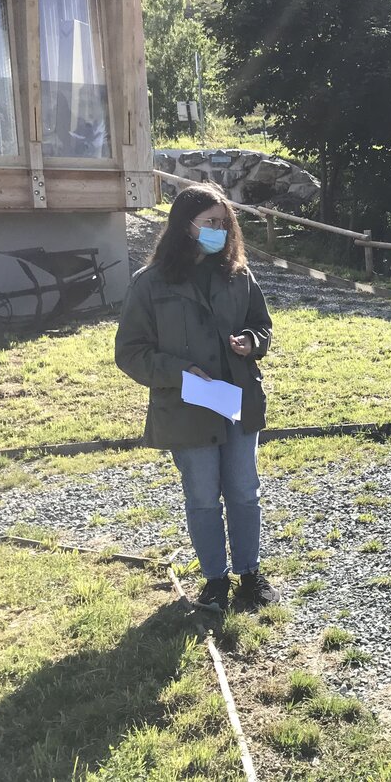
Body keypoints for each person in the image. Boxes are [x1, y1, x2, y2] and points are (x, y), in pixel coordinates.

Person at [115, 183, 279, 613]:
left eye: (224, 224)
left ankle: (250, 576)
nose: (219, 231)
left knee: (244, 492)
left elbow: (262, 325)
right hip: (187, 408)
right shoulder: (149, 284)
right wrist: (178, 370)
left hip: (236, 403)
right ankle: (215, 581)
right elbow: (129, 353)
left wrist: (251, 341)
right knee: (203, 497)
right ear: (184, 227)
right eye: (210, 223)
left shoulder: (239, 274)